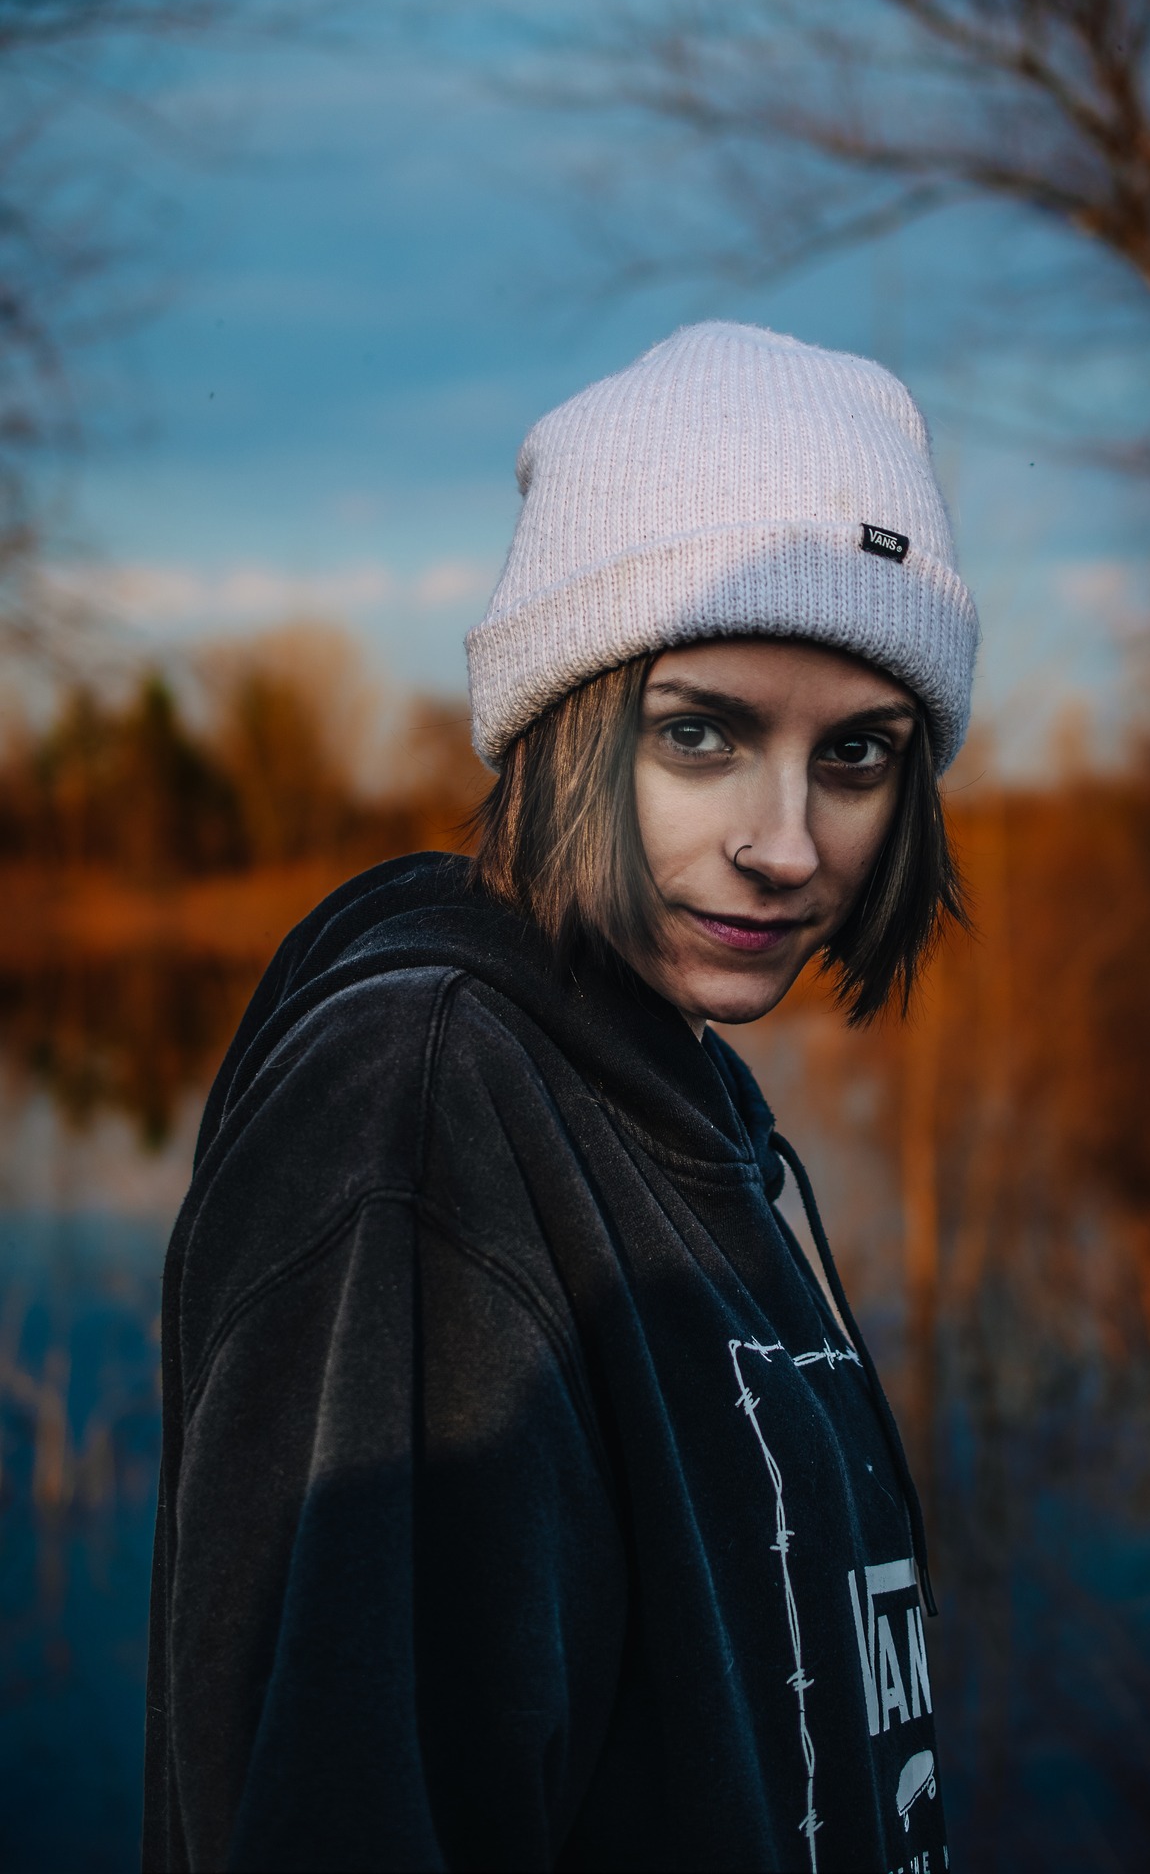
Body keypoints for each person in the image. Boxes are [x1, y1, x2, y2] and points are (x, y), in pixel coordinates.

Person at [143, 320, 978, 1873]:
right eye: (701, 733)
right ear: (563, 725)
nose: (786, 844)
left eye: (857, 754)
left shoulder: (683, 1098)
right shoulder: (423, 1110)